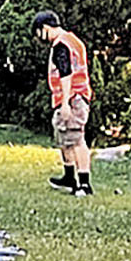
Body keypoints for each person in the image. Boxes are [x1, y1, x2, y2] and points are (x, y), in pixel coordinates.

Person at [31, 10, 94, 197]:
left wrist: (66, 103)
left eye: (38, 33)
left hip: (73, 97)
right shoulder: (72, 39)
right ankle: (69, 178)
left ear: (45, 28)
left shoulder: (61, 45)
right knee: (65, 138)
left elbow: (66, 74)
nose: (39, 38)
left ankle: (84, 184)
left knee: (76, 139)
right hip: (71, 97)